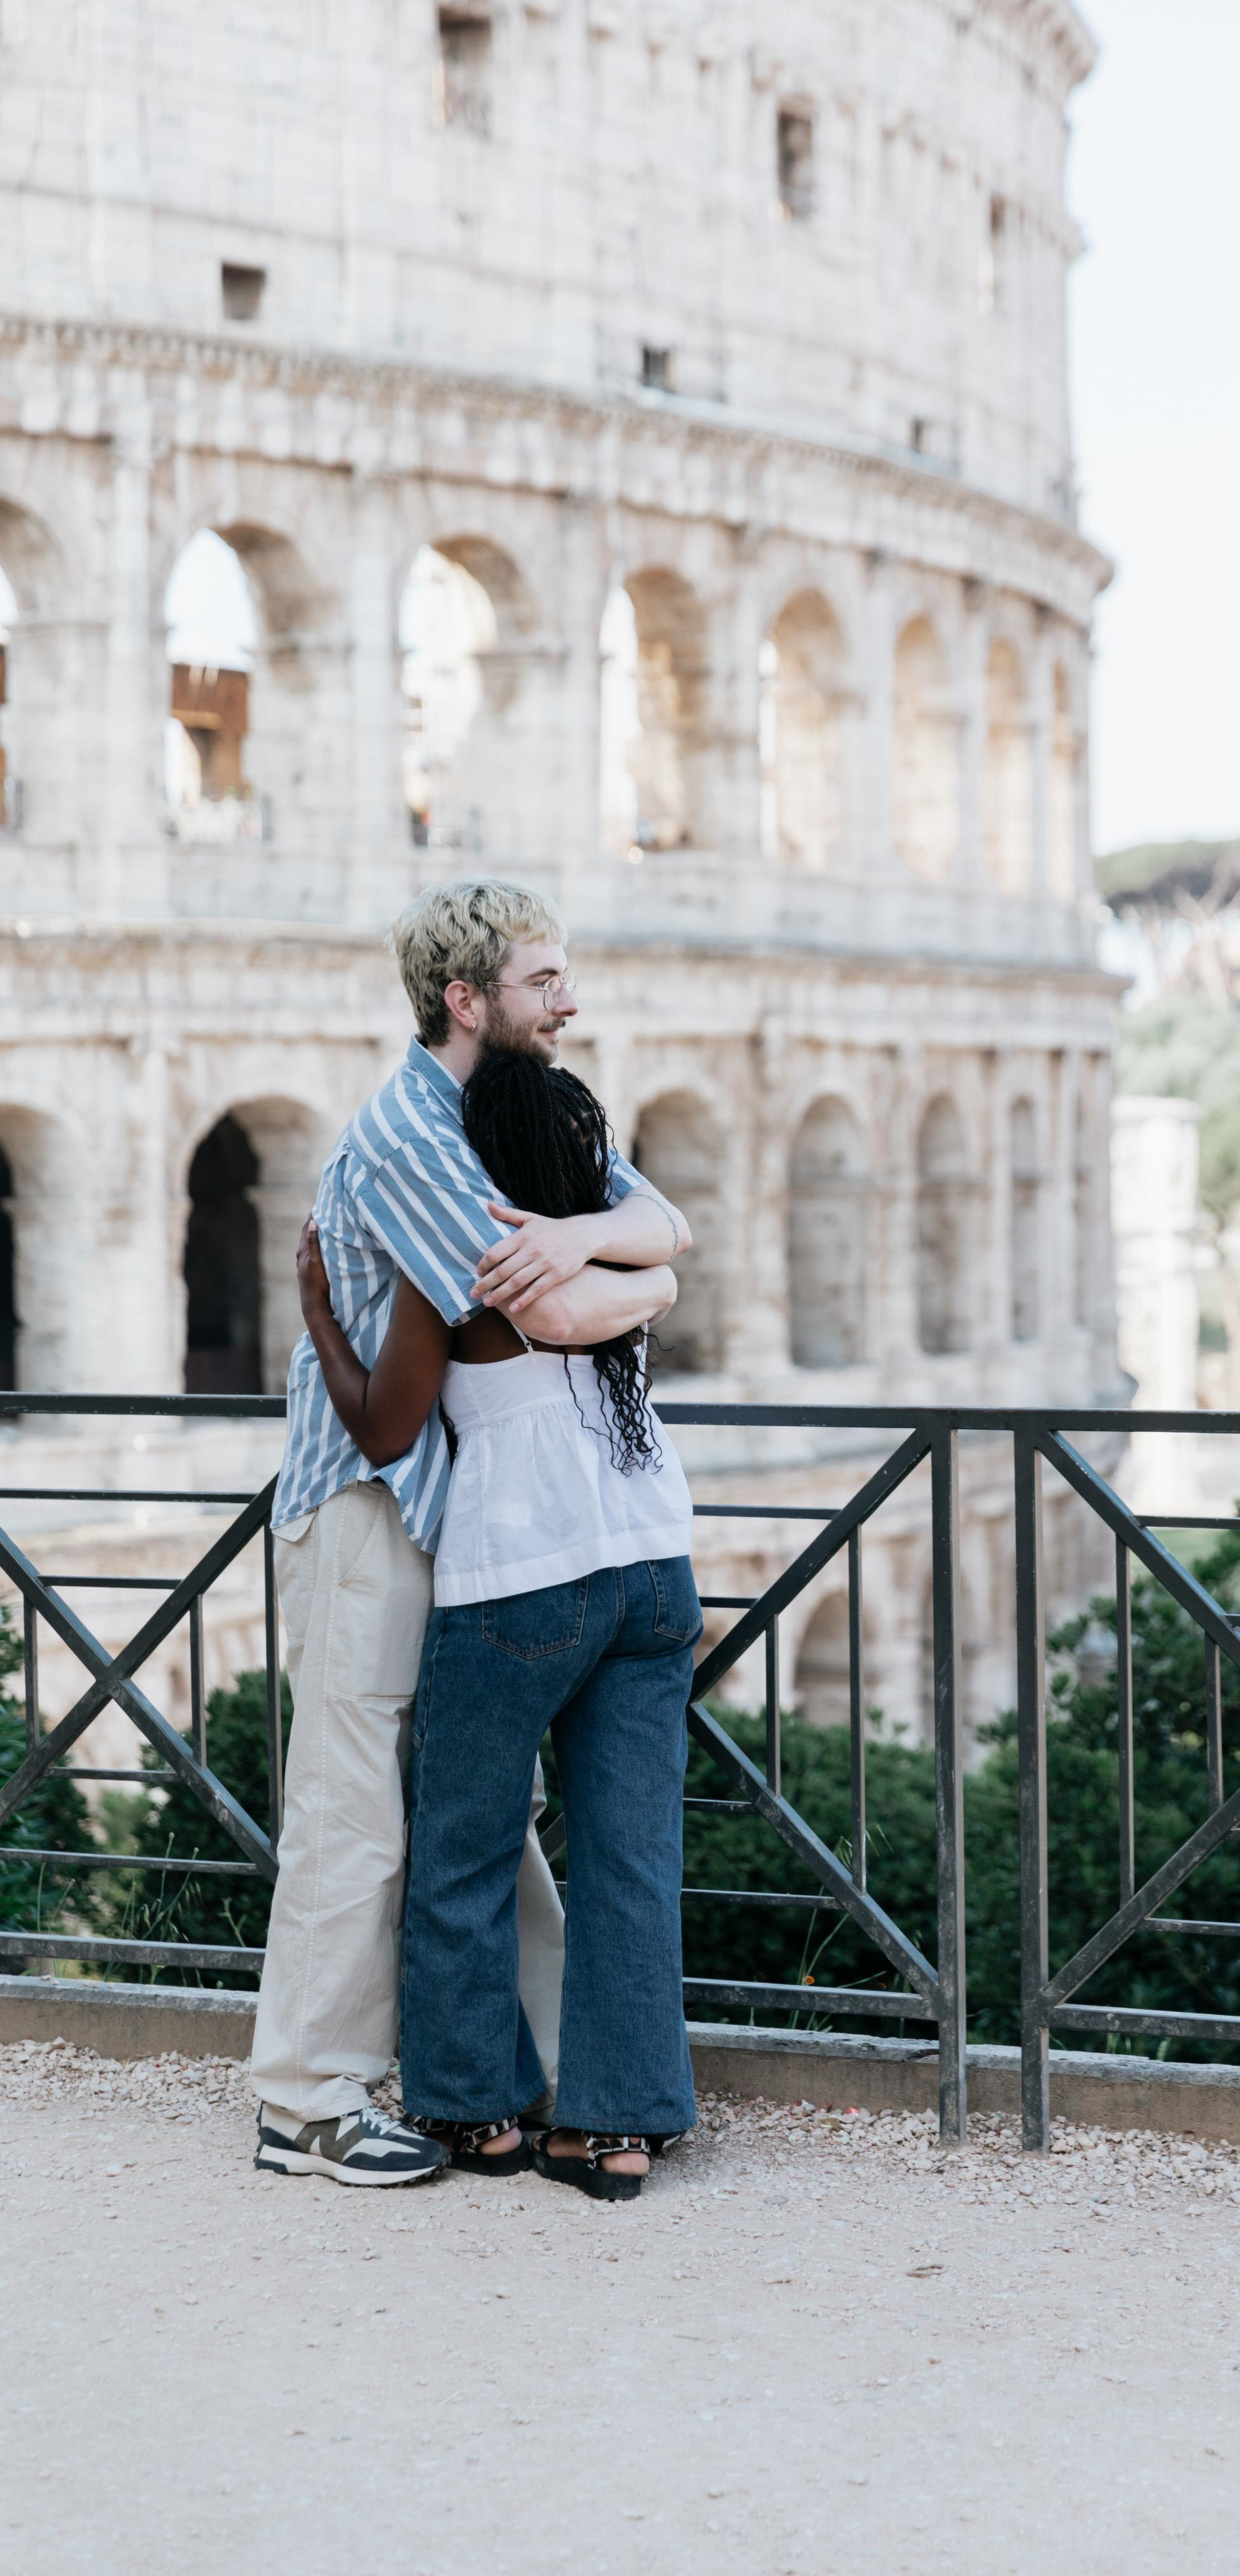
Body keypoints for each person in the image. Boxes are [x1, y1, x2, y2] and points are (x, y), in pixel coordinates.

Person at [252, 880, 690, 2188]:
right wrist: (632, 1273)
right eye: (544, 980)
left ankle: (544, 2081)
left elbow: (664, 1231)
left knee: (478, 1818)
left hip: (485, 1511)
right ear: (467, 999)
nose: (570, 1001)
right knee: (358, 1812)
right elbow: (543, 1320)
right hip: (376, 1506)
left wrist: (605, 1246)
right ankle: (309, 2103)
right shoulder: (412, 1138)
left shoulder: (520, 1115)